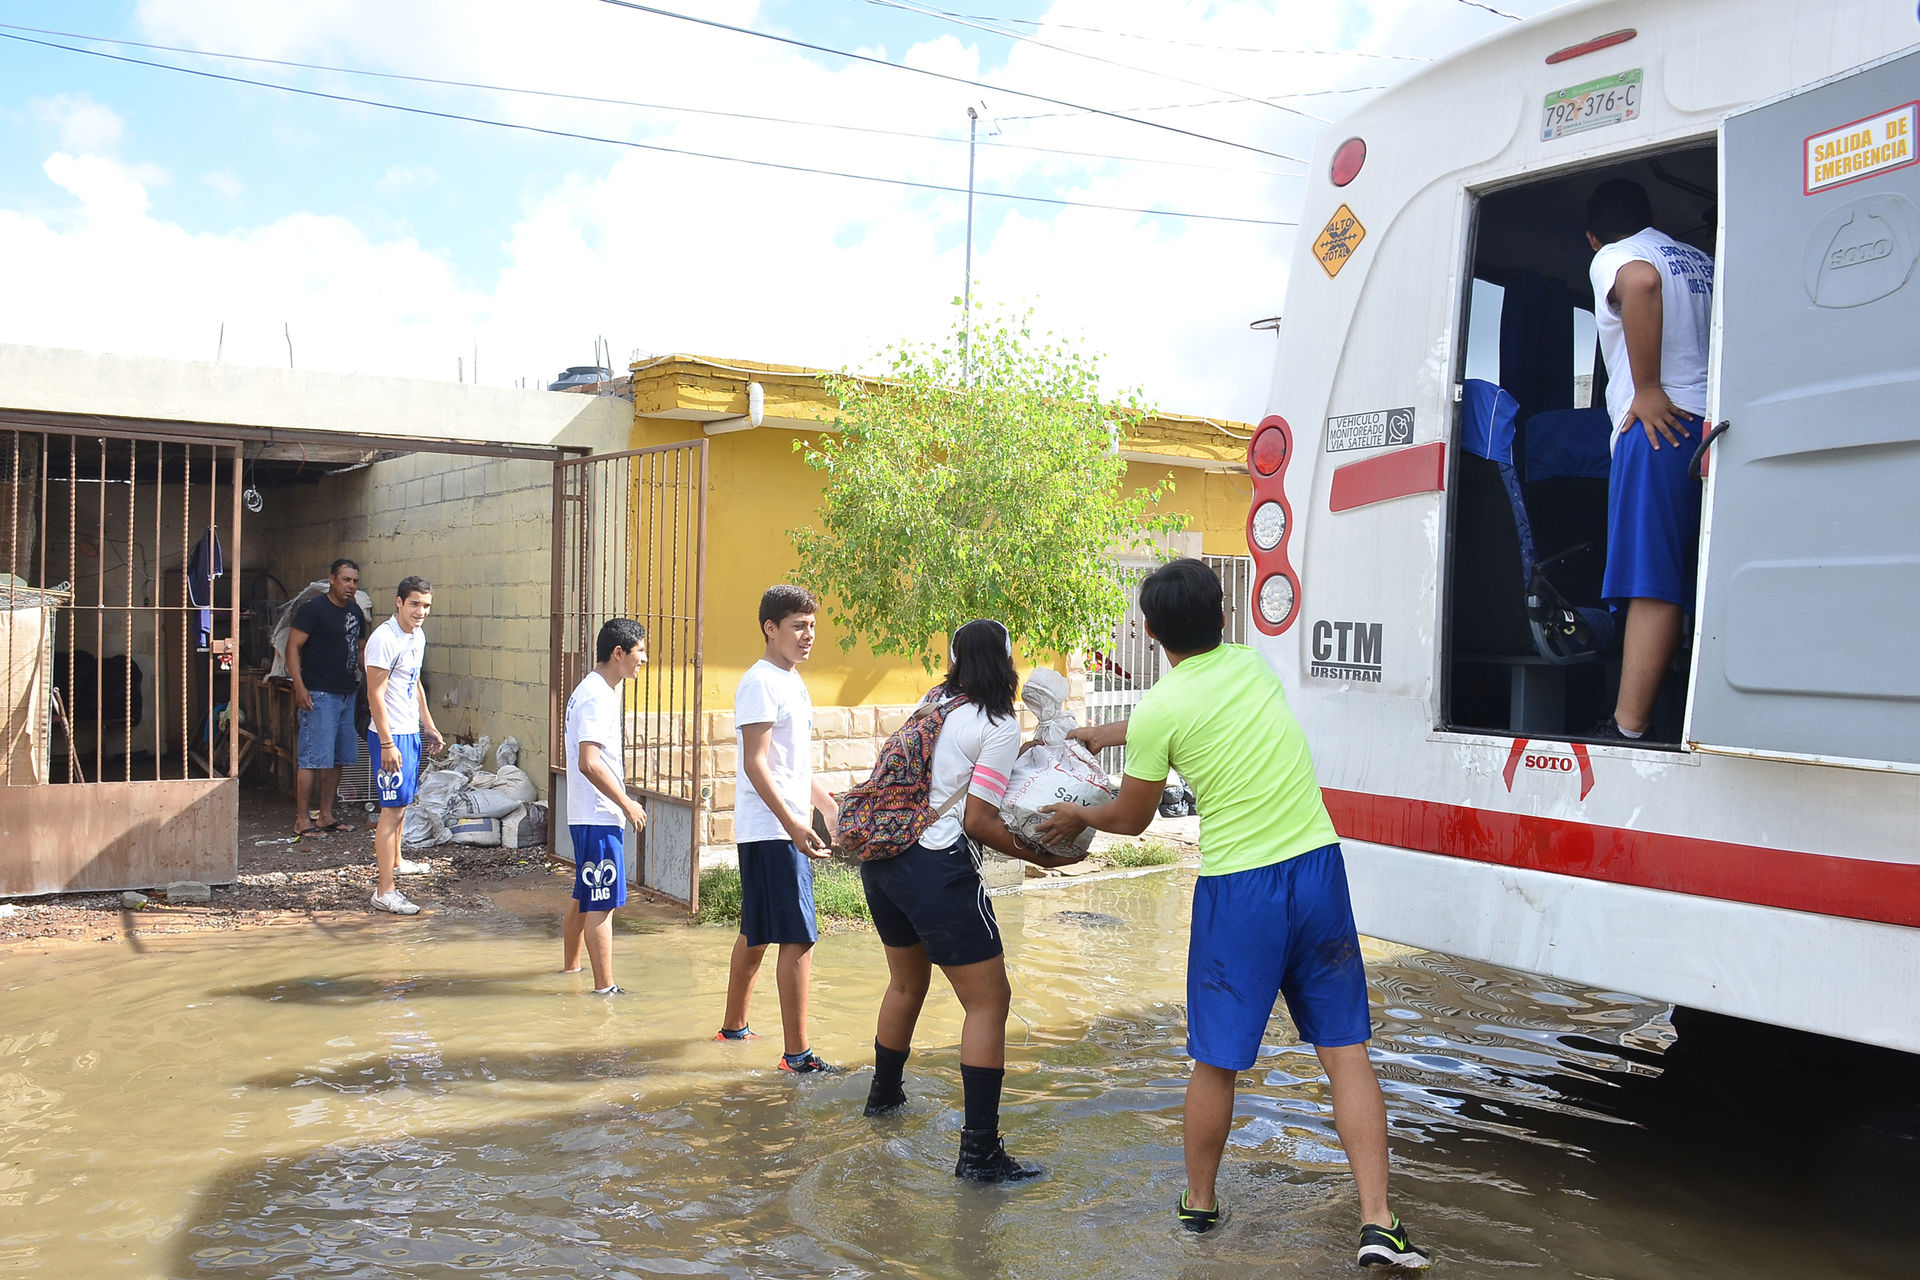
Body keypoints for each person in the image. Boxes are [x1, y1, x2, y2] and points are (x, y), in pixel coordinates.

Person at [1036, 560, 1430, 1268]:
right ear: (1224, 617)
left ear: (1150, 632)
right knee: (1345, 1053)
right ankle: (1378, 1224)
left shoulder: (1161, 709)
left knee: (1216, 1061)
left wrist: (1077, 812)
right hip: (1316, 868)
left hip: (1240, 888)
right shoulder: (1253, 665)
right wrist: (1108, 734)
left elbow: (1130, 817)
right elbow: (1193, 710)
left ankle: (1200, 1205)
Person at [860, 619, 1075, 1182]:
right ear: (1006, 662)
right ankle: (979, 1155)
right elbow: (978, 820)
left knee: (906, 983)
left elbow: (953, 773)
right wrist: (1043, 858)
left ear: (955, 660)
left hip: (884, 860)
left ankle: (883, 1103)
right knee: (988, 1002)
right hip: (936, 865)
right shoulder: (998, 721)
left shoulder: (936, 702)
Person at [1583, 177, 1715, 743]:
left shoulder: (1619, 256)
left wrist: (1648, 387)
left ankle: (1629, 725)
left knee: (1652, 579)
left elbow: (1639, 284)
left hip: (1660, 429)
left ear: (1593, 238)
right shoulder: (1700, 259)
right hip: (1713, 425)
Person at [715, 585, 841, 1072]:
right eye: (798, 626)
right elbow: (755, 763)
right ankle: (798, 1056)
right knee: (799, 935)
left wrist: (825, 807)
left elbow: (793, 766)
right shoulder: (761, 681)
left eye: (812, 626)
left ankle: (733, 1029)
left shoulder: (792, 680)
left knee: (757, 931)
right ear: (771, 628)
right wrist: (793, 824)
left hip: (779, 826)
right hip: (771, 830)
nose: (808, 636)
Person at [561, 618, 649, 994]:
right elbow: (589, 761)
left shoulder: (595, 690)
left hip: (589, 812)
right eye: (640, 651)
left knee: (584, 894)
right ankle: (604, 989)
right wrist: (627, 803)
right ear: (618, 653)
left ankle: (571, 970)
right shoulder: (597, 695)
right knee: (602, 901)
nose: (643, 659)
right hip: (598, 814)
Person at [364, 575, 443, 916]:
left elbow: (416, 684)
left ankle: (396, 862)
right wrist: (386, 742)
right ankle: (385, 892)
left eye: (425, 606)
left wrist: (428, 724)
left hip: (409, 732)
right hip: (390, 736)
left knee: (404, 803)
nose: (420, 611)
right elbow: (374, 694)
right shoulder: (384, 639)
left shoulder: (417, 636)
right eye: (414, 604)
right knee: (392, 812)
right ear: (398, 602)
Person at [287, 558, 370, 837]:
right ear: (332, 579)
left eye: (355, 581)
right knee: (312, 758)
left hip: (347, 693)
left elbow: (360, 651)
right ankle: (302, 820)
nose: (351, 586)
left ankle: (325, 815)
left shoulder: (356, 612)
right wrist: (299, 687)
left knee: (338, 758)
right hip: (319, 694)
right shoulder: (313, 610)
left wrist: (375, 680)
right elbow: (292, 648)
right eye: (346, 580)